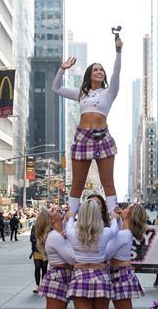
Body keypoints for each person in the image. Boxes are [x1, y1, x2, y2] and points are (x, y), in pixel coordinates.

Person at [52, 33, 123, 214]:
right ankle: (69, 221)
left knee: (108, 182)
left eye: (101, 70)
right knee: (77, 183)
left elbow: (116, 73)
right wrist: (62, 69)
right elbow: (56, 88)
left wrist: (118, 52)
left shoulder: (109, 92)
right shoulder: (81, 93)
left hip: (102, 137)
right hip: (82, 138)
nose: (99, 71)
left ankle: (114, 220)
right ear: (89, 75)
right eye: (95, 70)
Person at [65, 199, 116, 309]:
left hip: (80, 278)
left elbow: (68, 224)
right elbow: (116, 229)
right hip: (101, 277)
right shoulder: (107, 232)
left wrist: (71, 216)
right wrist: (113, 215)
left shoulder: (72, 233)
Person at [105, 203, 147, 309]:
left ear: (129, 214)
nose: (123, 208)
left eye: (127, 208)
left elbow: (105, 254)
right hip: (121, 274)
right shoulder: (125, 232)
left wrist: (114, 221)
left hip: (120, 275)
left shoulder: (122, 234)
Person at [36, 205, 76, 309]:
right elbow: (72, 259)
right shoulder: (55, 237)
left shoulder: (58, 234)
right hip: (59, 278)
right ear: (51, 220)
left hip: (61, 277)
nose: (56, 209)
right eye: (51, 211)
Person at [30, 210, 49, 293]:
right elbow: (32, 239)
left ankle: (43, 284)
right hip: (37, 250)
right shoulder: (34, 227)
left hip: (45, 250)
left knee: (44, 268)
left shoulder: (48, 227)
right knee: (37, 267)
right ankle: (37, 285)